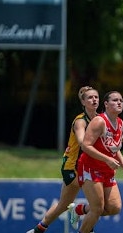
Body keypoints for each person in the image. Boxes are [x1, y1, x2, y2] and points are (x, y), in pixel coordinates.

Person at [26, 86, 98, 233]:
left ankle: (38, 230)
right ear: (83, 102)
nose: (94, 100)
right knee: (99, 204)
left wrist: (121, 139)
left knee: (64, 204)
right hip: (73, 167)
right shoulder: (80, 121)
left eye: (96, 97)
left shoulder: (99, 119)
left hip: (85, 167)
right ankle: (80, 213)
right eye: (90, 98)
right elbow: (82, 142)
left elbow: (106, 139)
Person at [76, 90, 123, 233]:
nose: (119, 102)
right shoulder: (99, 121)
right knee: (97, 209)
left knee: (114, 208)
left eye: (121, 100)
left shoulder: (120, 123)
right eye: (115, 100)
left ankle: (79, 209)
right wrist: (107, 159)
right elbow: (85, 146)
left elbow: (113, 145)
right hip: (90, 167)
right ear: (106, 104)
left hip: (106, 170)